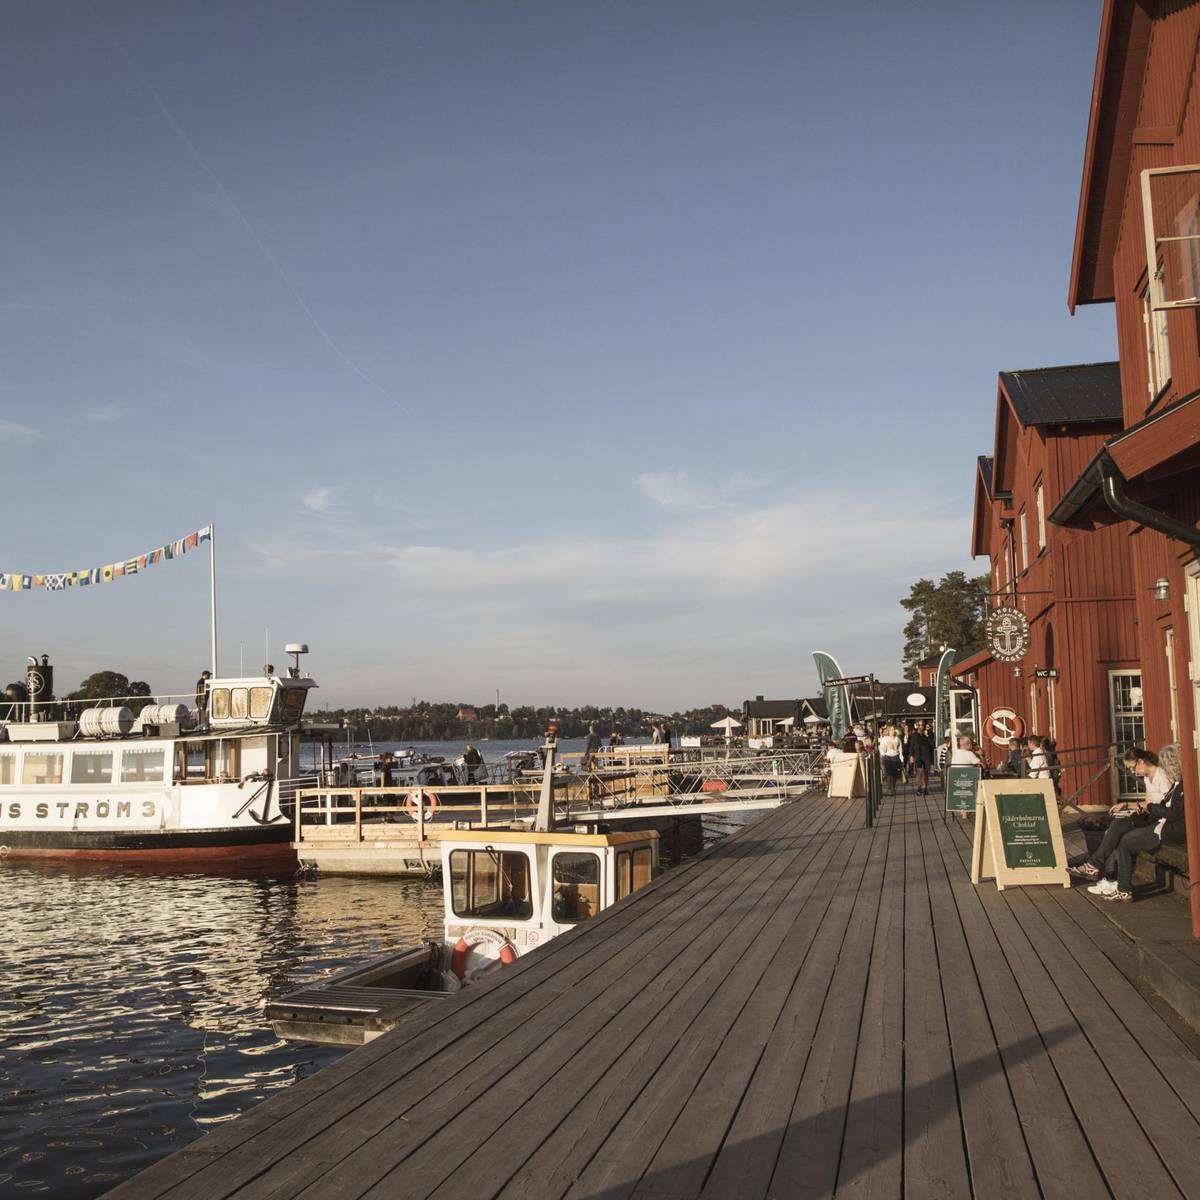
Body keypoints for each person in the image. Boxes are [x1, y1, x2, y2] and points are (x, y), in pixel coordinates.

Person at [1069, 747, 1177, 898]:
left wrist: (1147, 810)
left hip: (1159, 822)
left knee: (1121, 839)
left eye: (1133, 767)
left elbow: (1169, 808)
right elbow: (1147, 804)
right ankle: (1097, 868)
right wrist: (1125, 805)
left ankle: (1100, 871)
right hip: (1148, 817)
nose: (1132, 772)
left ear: (1141, 761)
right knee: (1117, 825)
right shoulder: (1147, 778)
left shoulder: (1162, 777)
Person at [907, 722, 934, 795]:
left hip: (926, 756)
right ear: (917, 726)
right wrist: (911, 756)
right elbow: (911, 746)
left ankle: (925, 788)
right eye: (919, 725)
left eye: (922, 725)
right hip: (918, 755)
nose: (921, 726)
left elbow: (932, 744)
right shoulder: (914, 735)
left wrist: (927, 735)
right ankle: (919, 788)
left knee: (926, 773)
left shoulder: (929, 734)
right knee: (919, 773)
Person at [878, 724, 904, 795]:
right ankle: (890, 788)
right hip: (888, 758)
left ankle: (893, 788)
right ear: (889, 731)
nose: (893, 731)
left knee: (894, 774)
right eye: (892, 730)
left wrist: (902, 759)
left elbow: (900, 749)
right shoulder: (885, 739)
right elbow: (881, 748)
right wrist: (884, 754)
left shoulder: (897, 738)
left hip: (895, 757)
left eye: (894, 729)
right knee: (889, 774)